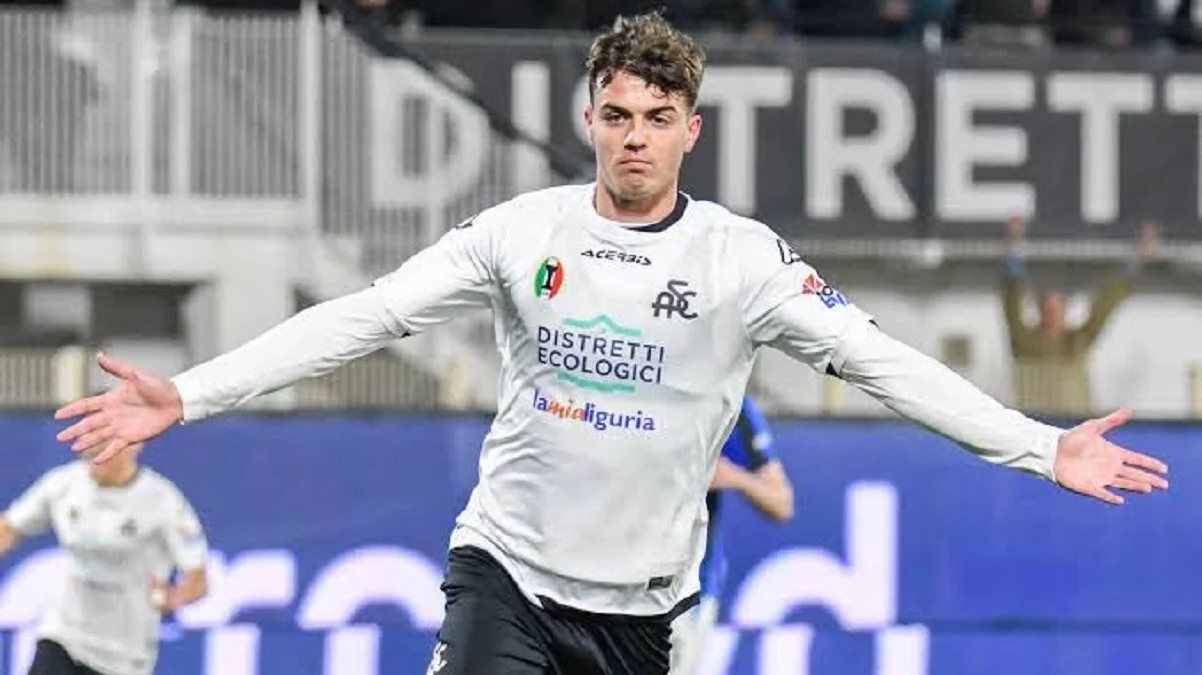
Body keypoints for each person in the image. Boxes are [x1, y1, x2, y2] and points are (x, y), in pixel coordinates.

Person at [54, 12, 1168, 675]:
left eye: (657, 119)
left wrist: (1040, 446)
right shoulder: (518, 233)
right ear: (590, 118)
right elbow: (367, 315)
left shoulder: (743, 261)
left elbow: (886, 363)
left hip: (644, 613)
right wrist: (189, 394)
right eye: (618, 115)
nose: (635, 138)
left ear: (691, 130)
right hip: (506, 575)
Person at [0, 444, 209, 675]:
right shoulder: (64, 484)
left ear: (134, 445)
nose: (94, 453)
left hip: (124, 654)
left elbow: (197, 580)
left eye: (106, 444)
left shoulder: (163, 501)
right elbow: (10, 526)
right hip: (65, 634)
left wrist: (173, 597)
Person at [669, 395, 793, 675]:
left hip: (688, 588)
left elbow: (781, 503)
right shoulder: (639, 389)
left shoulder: (730, 402)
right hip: (617, 571)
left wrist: (732, 476)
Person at [1003, 215, 1158, 416]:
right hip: (1034, 420)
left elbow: (1106, 305)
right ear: (1040, 311)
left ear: (1065, 311)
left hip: (1075, 420)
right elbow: (1011, 299)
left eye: (1057, 309)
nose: (1053, 315)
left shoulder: (1076, 341)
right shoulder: (1025, 342)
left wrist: (1139, 256)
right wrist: (1014, 243)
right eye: (1048, 309)